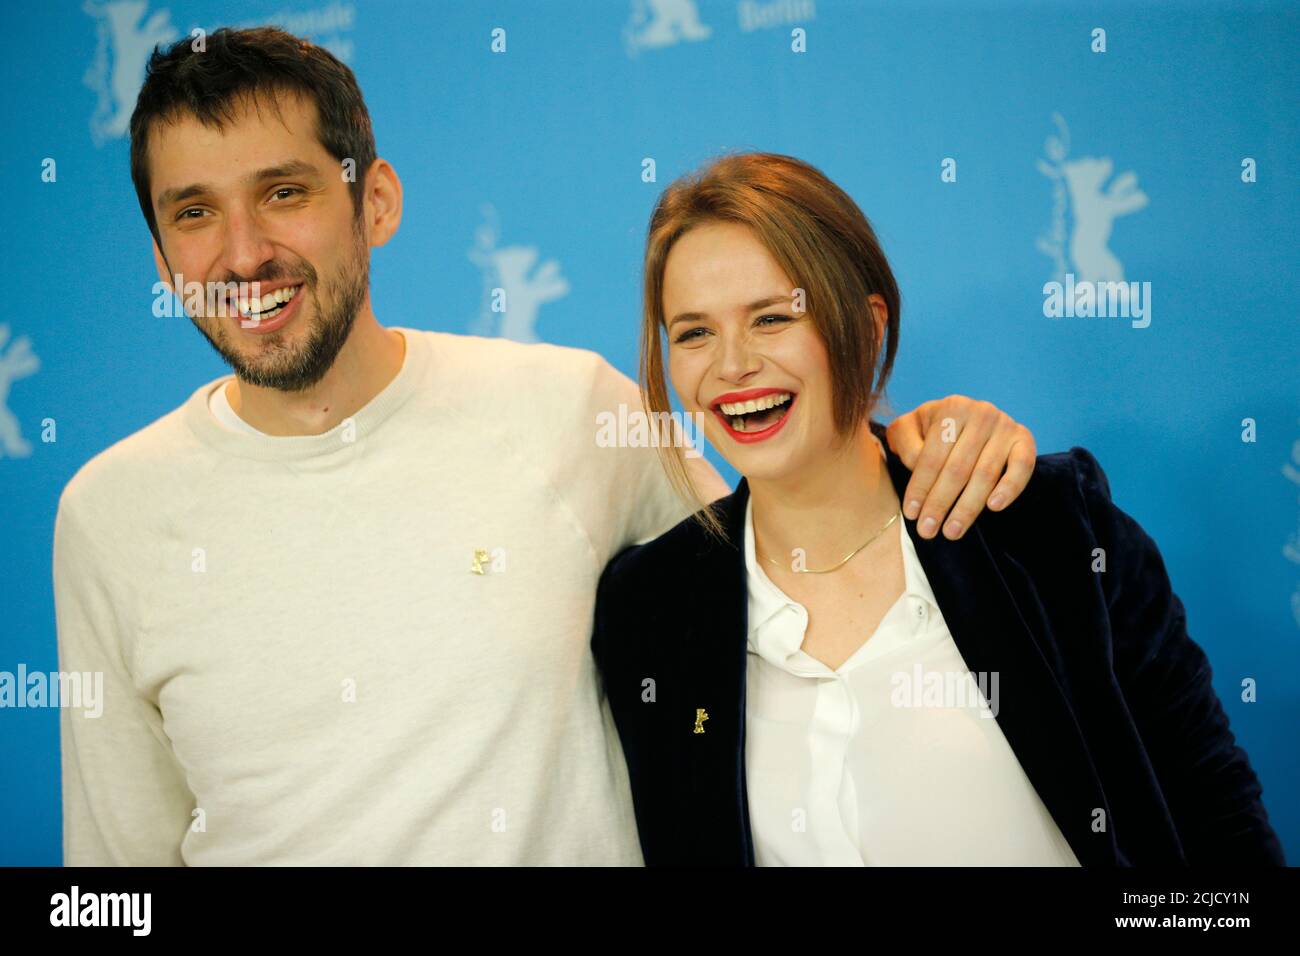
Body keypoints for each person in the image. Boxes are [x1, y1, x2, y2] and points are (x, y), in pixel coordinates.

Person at [54, 29, 1036, 865]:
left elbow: (781, 546)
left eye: (283, 192)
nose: (240, 252)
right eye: (193, 212)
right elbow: (117, 872)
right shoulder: (109, 513)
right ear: (159, 254)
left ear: (376, 201)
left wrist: (919, 442)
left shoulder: (569, 409)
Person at [591, 151, 1286, 866]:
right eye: (695, 332)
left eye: (771, 318)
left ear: (865, 324)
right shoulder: (650, 611)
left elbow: (1219, 831)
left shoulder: (1041, 528)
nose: (732, 366)